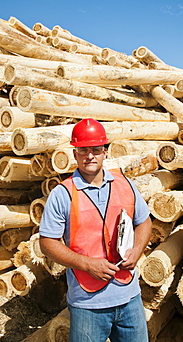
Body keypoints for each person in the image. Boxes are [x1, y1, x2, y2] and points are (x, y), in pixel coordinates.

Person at [39, 118, 152, 342]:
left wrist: (137, 250)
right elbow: (47, 243)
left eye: (95, 149)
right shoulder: (63, 194)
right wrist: (87, 264)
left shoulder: (125, 185)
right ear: (75, 154)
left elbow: (144, 221)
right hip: (87, 305)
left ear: (105, 152)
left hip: (130, 297)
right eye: (83, 150)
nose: (89, 155)